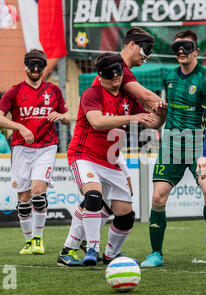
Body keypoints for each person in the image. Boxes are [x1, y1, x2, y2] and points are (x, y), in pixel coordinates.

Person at [57, 27, 167, 266]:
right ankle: (86, 249)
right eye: (110, 76)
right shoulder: (97, 89)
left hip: (111, 159)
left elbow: (153, 121)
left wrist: (162, 113)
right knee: (94, 197)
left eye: (118, 75)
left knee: (125, 214)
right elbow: (98, 122)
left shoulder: (125, 93)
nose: (116, 78)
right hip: (85, 155)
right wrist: (139, 114)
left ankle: (108, 254)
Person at [140, 30, 206, 268]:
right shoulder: (168, 77)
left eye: (186, 47)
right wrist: (159, 111)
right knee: (158, 197)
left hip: (199, 142)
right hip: (171, 142)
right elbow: (166, 110)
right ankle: (156, 254)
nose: (181, 51)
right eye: (176, 47)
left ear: (196, 51)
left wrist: (204, 154)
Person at [0, 49, 71, 255]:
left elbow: (69, 116)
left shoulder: (53, 90)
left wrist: (59, 116)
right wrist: (19, 127)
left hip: (46, 147)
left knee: (38, 191)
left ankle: (38, 239)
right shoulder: (15, 91)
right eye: (32, 65)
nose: (36, 69)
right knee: (23, 198)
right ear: (25, 66)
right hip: (20, 149)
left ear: (44, 68)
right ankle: (28, 241)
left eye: (40, 66)